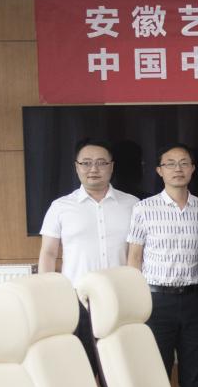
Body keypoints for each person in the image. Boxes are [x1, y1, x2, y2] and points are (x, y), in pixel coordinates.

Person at [38, 137, 138, 373]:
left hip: (121, 297)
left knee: (120, 368)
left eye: (101, 163)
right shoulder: (60, 207)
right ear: (76, 167)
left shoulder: (133, 205)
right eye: (86, 163)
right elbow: (49, 253)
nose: (94, 169)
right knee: (82, 368)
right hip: (78, 299)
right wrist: (48, 293)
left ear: (111, 167)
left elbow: (138, 253)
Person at [126, 142, 198, 387]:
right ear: (159, 171)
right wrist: (136, 303)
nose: (177, 169)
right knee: (157, 374)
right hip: (157, 302)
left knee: (193, 375)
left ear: (193, 168)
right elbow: (134, 258)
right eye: (170, 164)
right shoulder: (144, 208)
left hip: (196, 300)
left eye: (184, 163)